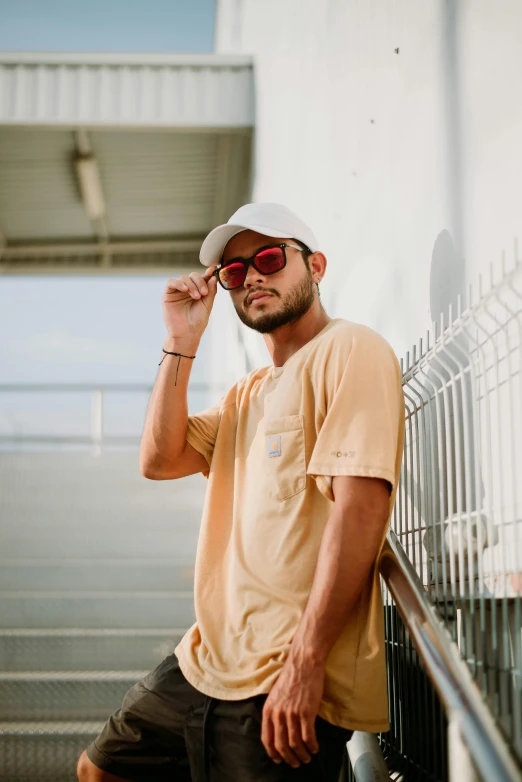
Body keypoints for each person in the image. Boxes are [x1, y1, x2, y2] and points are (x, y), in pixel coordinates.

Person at [77, 203, 404, 782]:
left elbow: (362, 508)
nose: (252, 275)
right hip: (206, 659)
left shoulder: (349, 349)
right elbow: (158, 459)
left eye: (270, 258)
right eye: (233, 271)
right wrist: (182, 339)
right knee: (101, 770)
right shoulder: (245, 394)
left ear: (316, 266)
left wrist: (306, 663)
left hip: (284, 671)